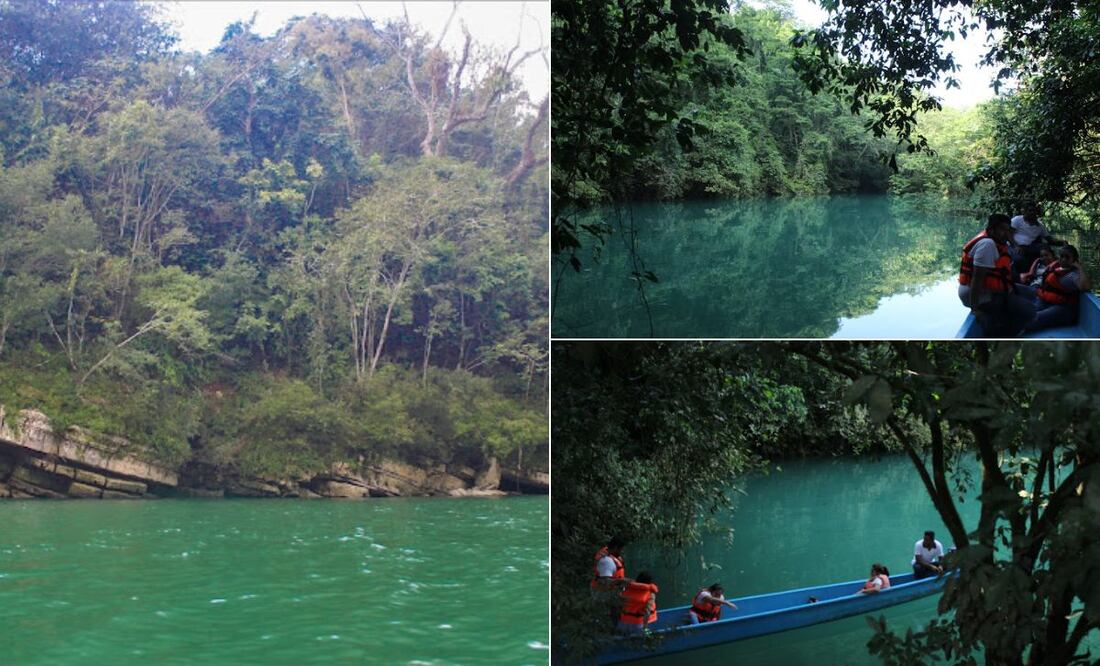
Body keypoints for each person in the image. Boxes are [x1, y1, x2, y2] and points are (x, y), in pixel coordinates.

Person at [958, 214, 1036, 336]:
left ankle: (1006, 314)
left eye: (1008, 230)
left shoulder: (995, 240)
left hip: (987, 288)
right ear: (991, 229)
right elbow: (977, 280)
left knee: (1031, 293)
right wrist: (975, 309)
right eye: (1002, 230)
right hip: (976, 294)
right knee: (1030, 312)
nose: (1006, 233)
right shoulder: (987, 245)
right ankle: (1007, 333)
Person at [1022, 244, 1092, 333]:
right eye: (1062, 256)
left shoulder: (1073, 275)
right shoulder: (1057, 268)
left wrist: (1080, 267)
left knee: (1037, 317)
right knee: (1026, 312)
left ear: (1074, 260)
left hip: (1064, 308)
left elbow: (1085, 287)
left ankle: (1014, 328)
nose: (1063, 259)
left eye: (1067, 257)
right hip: (1048, 301)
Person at [1010, 204, 1060, 275]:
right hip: (1013, 245)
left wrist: (1061, 242)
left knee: (1044, 246)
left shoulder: (1040, 226)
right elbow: (1009, 234)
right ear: (1025, 211)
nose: (1032, 212)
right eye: (1030, 210)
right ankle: (1022, 277)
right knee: (1019, 259)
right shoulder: (1017, 219)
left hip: (1028, 247)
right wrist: (1016, 246)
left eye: (1034, 211)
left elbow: (1050, 240)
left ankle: (1050, 268)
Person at [617, 571, 659, 636]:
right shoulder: (650, 593)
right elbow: (647, 612)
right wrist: (645, 628)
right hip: (638, 625)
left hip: (623, 623)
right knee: (646, 638)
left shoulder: (627, 589)